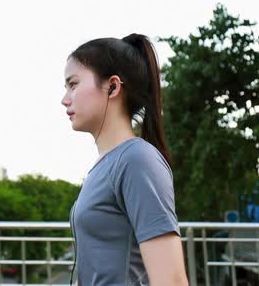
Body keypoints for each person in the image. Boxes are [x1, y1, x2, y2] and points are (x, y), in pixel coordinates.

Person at [61, 34, 188, 285]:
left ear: (113, 87)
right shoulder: (106, 165)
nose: (65, 99)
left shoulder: (137, 160)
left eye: (73, 84)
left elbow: (171, 280)